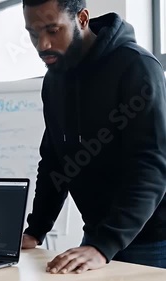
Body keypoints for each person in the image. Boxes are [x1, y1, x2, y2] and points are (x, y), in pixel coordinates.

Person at [21, 0, 166, 273]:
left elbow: (151, 166)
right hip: (97, 238)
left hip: (153, 241)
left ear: (83, 18)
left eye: (53, 30)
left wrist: (104, 245)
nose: (42, 45)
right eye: (33, 33)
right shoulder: (54, 80)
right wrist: (36, 230)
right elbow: (55, 161)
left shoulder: (137, 66)